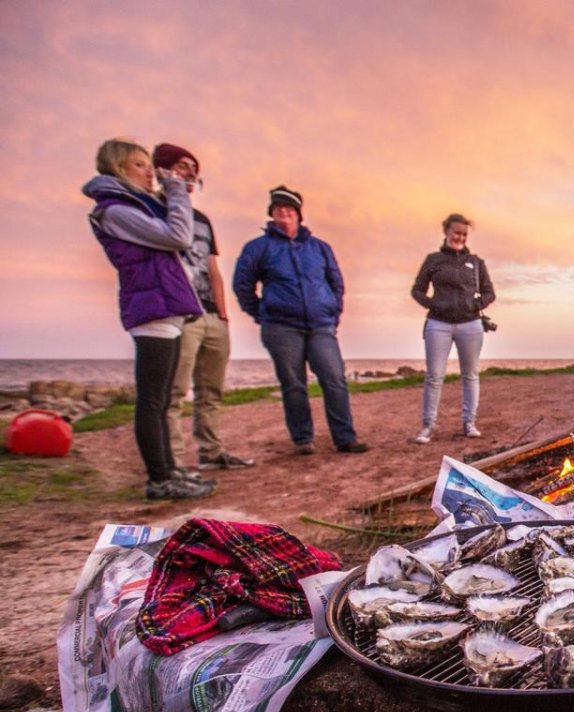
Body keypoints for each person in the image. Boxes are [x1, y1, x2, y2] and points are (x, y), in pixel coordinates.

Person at [82, 138, 216, 501]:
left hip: (165, 307)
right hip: (151, 308)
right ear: (118, 167)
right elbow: (179, 235)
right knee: (153, 400)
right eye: (140, 165)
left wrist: (172, 191)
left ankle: (169, 470)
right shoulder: (115, 211)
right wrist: (175, 189)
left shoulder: (137, 206)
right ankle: (159, 478)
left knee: (159, 397)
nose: (149, 172)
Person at [232, 186, 368, 455]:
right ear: (271, 213)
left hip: (321, 324)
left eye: (289, 207)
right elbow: (242, 285)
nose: (284, 211)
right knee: (293, 384)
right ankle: (303, 439)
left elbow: (336, 283)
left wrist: (332, 312)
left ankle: (345, 437)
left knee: (334, 379)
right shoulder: (258, 248)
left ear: (298, 214)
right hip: (281, 326)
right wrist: (262, 313)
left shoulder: (319, 248)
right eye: (278, 207)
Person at [153, 143, 255, 472]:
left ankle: (210, 451)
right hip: (178, 314)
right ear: (162, 169)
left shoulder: (202, 220)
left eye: (194, 169)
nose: (190, 174)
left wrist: (223, 315)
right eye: (182, 166)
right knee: (175, 391)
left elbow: (213, 269)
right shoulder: (151, 211)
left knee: (211, 390)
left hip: (210, 314)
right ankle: (174, 464)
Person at [410, 213, 496, 443]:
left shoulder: (477, 263)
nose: (460, 237)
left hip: (471, 325)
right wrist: (434, 304)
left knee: (470, 375)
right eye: (457, 232)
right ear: (446, 232)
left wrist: (474, 305)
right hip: (438, 324)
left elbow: (490, 293)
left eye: (464, 234)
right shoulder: (433, 260)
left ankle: (469, 423)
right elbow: (417, 290)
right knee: (434, 376)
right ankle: (428, 426)